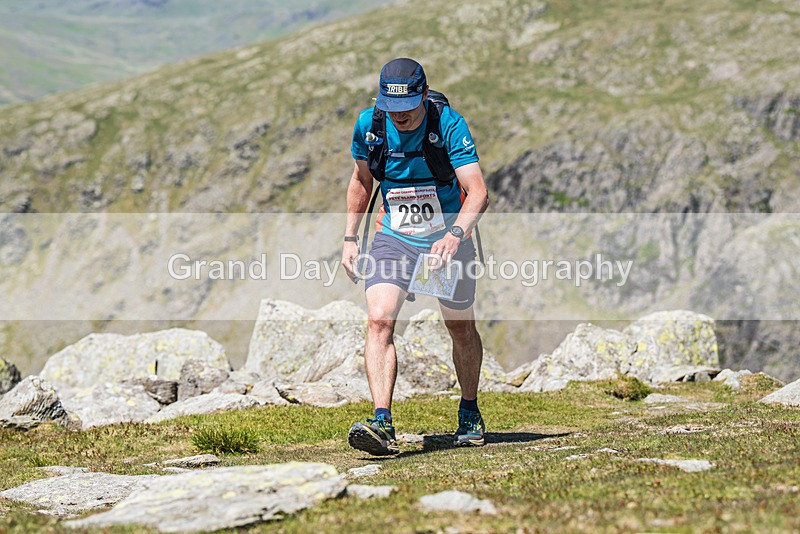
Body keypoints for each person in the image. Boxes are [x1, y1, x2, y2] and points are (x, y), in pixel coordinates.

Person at [341, 58, 490, 456]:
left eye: (407, 108)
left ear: (424, 96)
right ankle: (382, 422)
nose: (400, 116)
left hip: (445, 240)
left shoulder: (449, 124)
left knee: (459, 328)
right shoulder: (369, 126)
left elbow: (477, 192)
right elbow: (362, 180)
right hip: (394, 238)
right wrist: (350, 237)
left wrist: (456, 234)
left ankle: (469, 411)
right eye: (392, 108)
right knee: (379, 320)